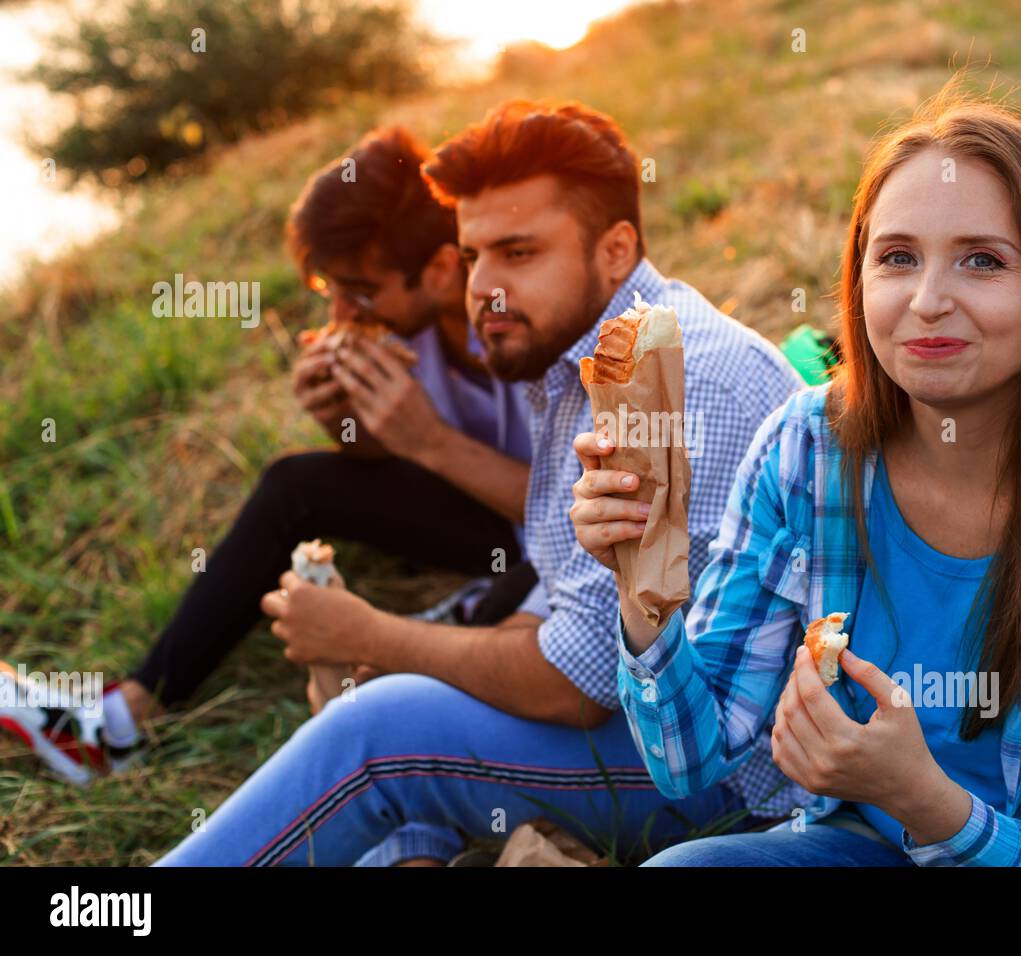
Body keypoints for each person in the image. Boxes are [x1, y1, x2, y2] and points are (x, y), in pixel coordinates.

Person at [569, 84, 1021, 867]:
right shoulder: (807, 448)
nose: (928, 301)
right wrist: (643, 580)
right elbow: (690, 760)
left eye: (982, 261)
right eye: (898, 258)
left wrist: (923, 799)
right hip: (874, 844)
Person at [154, 100, 805, 866]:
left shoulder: (673, 382)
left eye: (519, 253)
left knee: (378, 733)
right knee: (415, 700)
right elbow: (565, 604)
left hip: (735, 782)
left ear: (616, 249)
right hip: (666, 725)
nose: (483, 290)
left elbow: (575, 685)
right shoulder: (585, 357)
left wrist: (375, 637)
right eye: (473, 257)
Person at [0, 126, 534, 785]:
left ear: (442, 268)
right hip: (484, 512)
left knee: (536, 562)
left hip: (549, 530)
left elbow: (571, 511)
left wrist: (429, 440)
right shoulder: (408, 323)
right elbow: (391, 458)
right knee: (294, 483)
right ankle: (123, 722)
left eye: (359, 291)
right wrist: (345, 422)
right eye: (329, 288)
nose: (342, 310)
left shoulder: (524, 321)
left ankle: (450, 642)